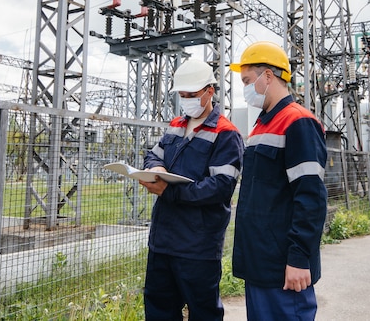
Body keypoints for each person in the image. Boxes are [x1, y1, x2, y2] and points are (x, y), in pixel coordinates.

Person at [139, 58, 244, 321]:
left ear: (210, 91)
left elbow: (220, 187)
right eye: (182, 95)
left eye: (191, 95)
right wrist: (157, 170)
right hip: (163, 241)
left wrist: (168, 191)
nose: (186, 100)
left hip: (198, 245)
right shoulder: (176, 126)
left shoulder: (226, 133)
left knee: (203, 312)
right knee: (159, 309)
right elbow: (153, 156)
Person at [229, 41, 328, 321]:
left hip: (284, 268)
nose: (246, 89)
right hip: (260, 264)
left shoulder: (297, 122)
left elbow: (310, 198)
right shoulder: (262, 124)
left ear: (269, 76)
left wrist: (299, 258)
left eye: (248, 81)